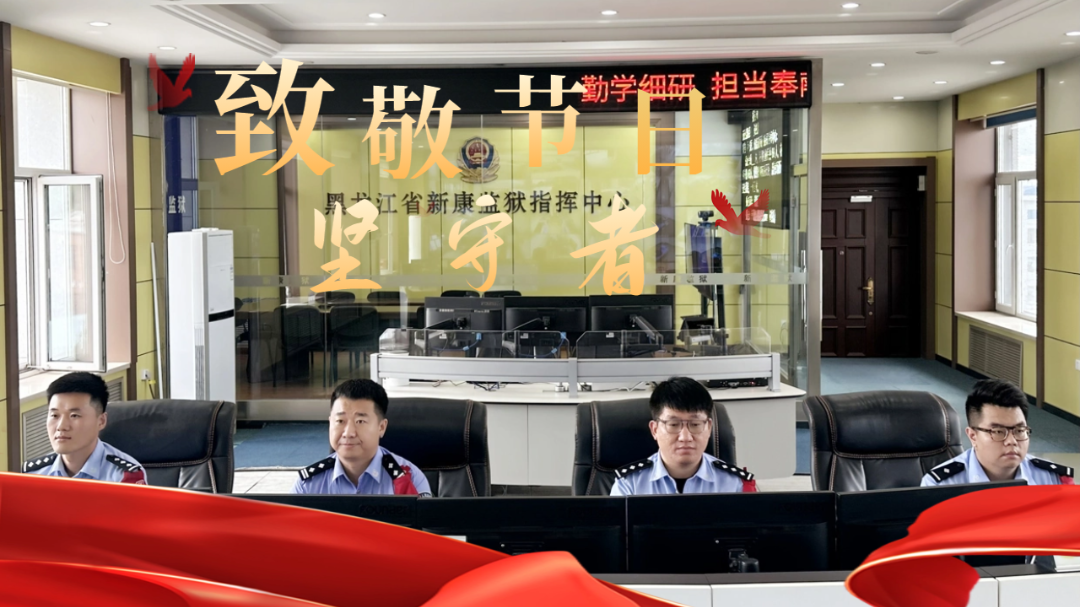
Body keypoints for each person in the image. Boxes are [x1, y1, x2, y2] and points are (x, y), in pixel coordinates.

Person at [611, 377, 757, 495]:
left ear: (708, 428)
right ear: (654, 430)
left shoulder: (733, 483)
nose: (685, 437)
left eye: (695, 424)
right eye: (673, 425)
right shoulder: (629, 484)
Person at [921, 378, 1073, 487]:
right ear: (973, 436)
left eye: (1019, 431)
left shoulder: (1052, 478)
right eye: (998, 431)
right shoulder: (940, 485)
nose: (1012, 441)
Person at [292, 379, 432, 496]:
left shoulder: (409, 479)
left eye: (360, 421)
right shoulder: (308, 485)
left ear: (381, 427)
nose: (348, 433)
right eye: (340, 421)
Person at [22, 372, 145, 484]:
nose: (61, 426)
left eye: (74, 416)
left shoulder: (124, 476)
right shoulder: (32, 474)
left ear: (101, 421)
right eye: (54, 415)